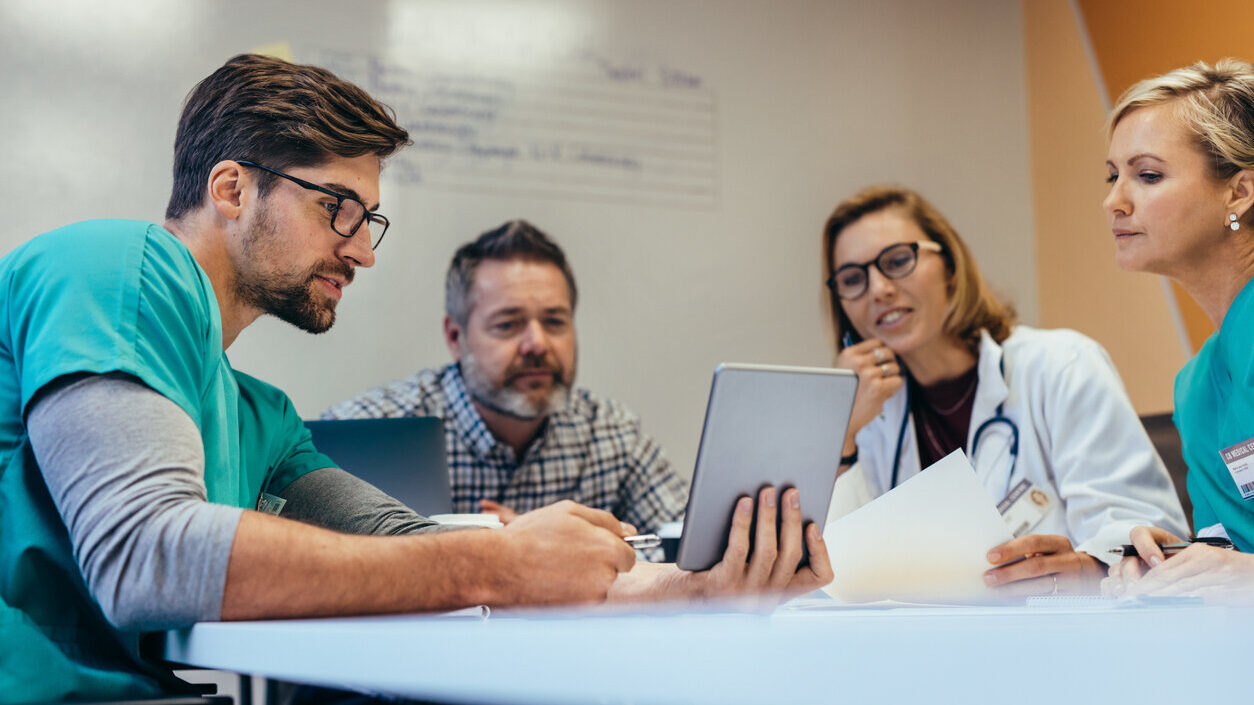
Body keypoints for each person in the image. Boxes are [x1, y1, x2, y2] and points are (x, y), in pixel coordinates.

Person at [0, 54, 831, 704]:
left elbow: (416, 551)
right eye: (339, 208)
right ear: (231, 188)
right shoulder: (117, 265)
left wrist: (694, 587)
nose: (362, 251)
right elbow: (145, 554)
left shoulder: (262, 418)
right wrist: (501, 564)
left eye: (371, 221)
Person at [822, 185, 1188, 596]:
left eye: (898, 261)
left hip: (1069, 639)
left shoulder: (1059, 366)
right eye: (853, 279)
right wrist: (843, 430)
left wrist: (1085, 569)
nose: (878, 289)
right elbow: (836, 577)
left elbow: (1145, 535)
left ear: (950, 266)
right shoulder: (869, 419)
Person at [323, 220, 687, 542]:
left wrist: (578, 549)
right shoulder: (366, 431)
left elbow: (690, 555)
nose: (538, 344)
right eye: (508, 325)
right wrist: (502, 556)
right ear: (455, 337)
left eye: (555, 322)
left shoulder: (612, 433)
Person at [1100, 59, 1254, 604]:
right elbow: (1235, 555)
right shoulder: (1195, 388)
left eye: (1147, 175)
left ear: (1239, 193)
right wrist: (1180, 561)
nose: (1114, 200)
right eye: (1113, 175)